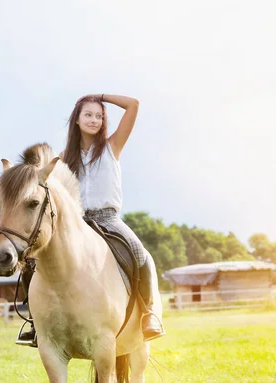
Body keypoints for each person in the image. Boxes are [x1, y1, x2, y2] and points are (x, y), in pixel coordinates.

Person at [17, 93, 165, 345]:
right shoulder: (62, 159)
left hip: (109, 219)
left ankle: (149, 313)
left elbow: (133, 105)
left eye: (99, 116)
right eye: (88, 114)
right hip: (76, 223)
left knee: (141, 255)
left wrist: (101, 96)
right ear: (77, 119)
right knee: (32, 260)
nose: (94, 120)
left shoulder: (112, 146)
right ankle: (35, 322)